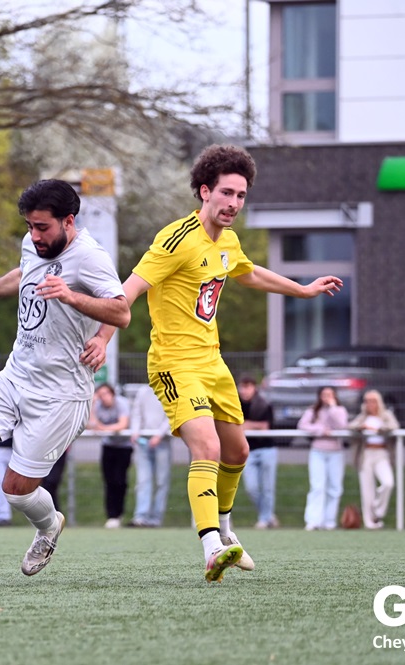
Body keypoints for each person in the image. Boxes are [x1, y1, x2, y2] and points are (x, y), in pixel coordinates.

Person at [96, 144, 342, 582]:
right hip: (174, 363)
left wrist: (302, 289)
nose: (234, 203)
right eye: (227, 193)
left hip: (213, 363)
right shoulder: (175, 240)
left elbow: (248, 272)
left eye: (241, 195)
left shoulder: (227, 240)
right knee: (207, 448)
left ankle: (226, 532)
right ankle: (211, 546)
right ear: (205, 191)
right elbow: (126, 293)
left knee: (238, 451)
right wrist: (101, 338)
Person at [0, 178, 129, 586]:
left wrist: (70, 297)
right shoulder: (34, 243)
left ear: (68, 221)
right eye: (30, 226)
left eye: (42, 227)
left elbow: (121, 312)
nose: (34, 235)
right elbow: (25, 272)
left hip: (61, 395)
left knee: (16, 491)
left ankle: (49, 526)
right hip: (16, 375)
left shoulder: (90, 257)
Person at [298, 386, 349, 531]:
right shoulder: (313, 411)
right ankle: (313, 521)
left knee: (335, 488)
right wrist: (320, 430)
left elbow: (342, 425)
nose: (327, 397)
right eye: (324, 394)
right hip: (318, 452)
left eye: (330, 394)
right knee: (317, 486)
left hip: (336, 452)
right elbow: (302, 425)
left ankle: (329, 521)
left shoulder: (340, 410)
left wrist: (332, 408)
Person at [349, 390, 398, 529]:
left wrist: (379, 429)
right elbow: (351, 426)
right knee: (367, 490)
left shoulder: (385, 415)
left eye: (373, 401)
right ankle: (369, 522)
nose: (370, 404)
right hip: (366, 454)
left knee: (388, 483)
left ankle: (378, 510)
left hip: (381, 453)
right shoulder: (363, 417)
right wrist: (361, 427)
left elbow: (394, 426)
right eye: (367, 401)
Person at [128, 383, 172, 527]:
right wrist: (135, 431)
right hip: (143, 442)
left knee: (161, 481)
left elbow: (171, 414)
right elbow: (137, 413)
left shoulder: (169, 390)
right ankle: (141, 517)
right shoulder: (143, 391)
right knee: (143, 481)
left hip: (163, 442)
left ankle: (156, 518)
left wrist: (159, 435)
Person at [88, 383, 132, 528]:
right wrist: (92, 405)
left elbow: (122, 425)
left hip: (124, 447)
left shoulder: (122, 403)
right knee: (109, 481)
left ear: (112, 394)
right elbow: (90, 424)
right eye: (100, 395)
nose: (103, 397)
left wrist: (103, 428)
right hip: (108, 446)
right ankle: (111, 515)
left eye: (106, 393)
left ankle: (119, 513)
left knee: (120, 481)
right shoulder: (98, 406)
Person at [238, 376, 277, 529]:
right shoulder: (236, 404)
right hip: (247, 451)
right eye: (242, 386)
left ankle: (264, 519)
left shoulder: (264, 404)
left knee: (268, 488)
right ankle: (267, 514)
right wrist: (250, 425)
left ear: (254, 387)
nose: (244, 390)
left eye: (247, 387)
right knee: (251, 488)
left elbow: (265, 426)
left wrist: (246, 424)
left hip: (266, 449)